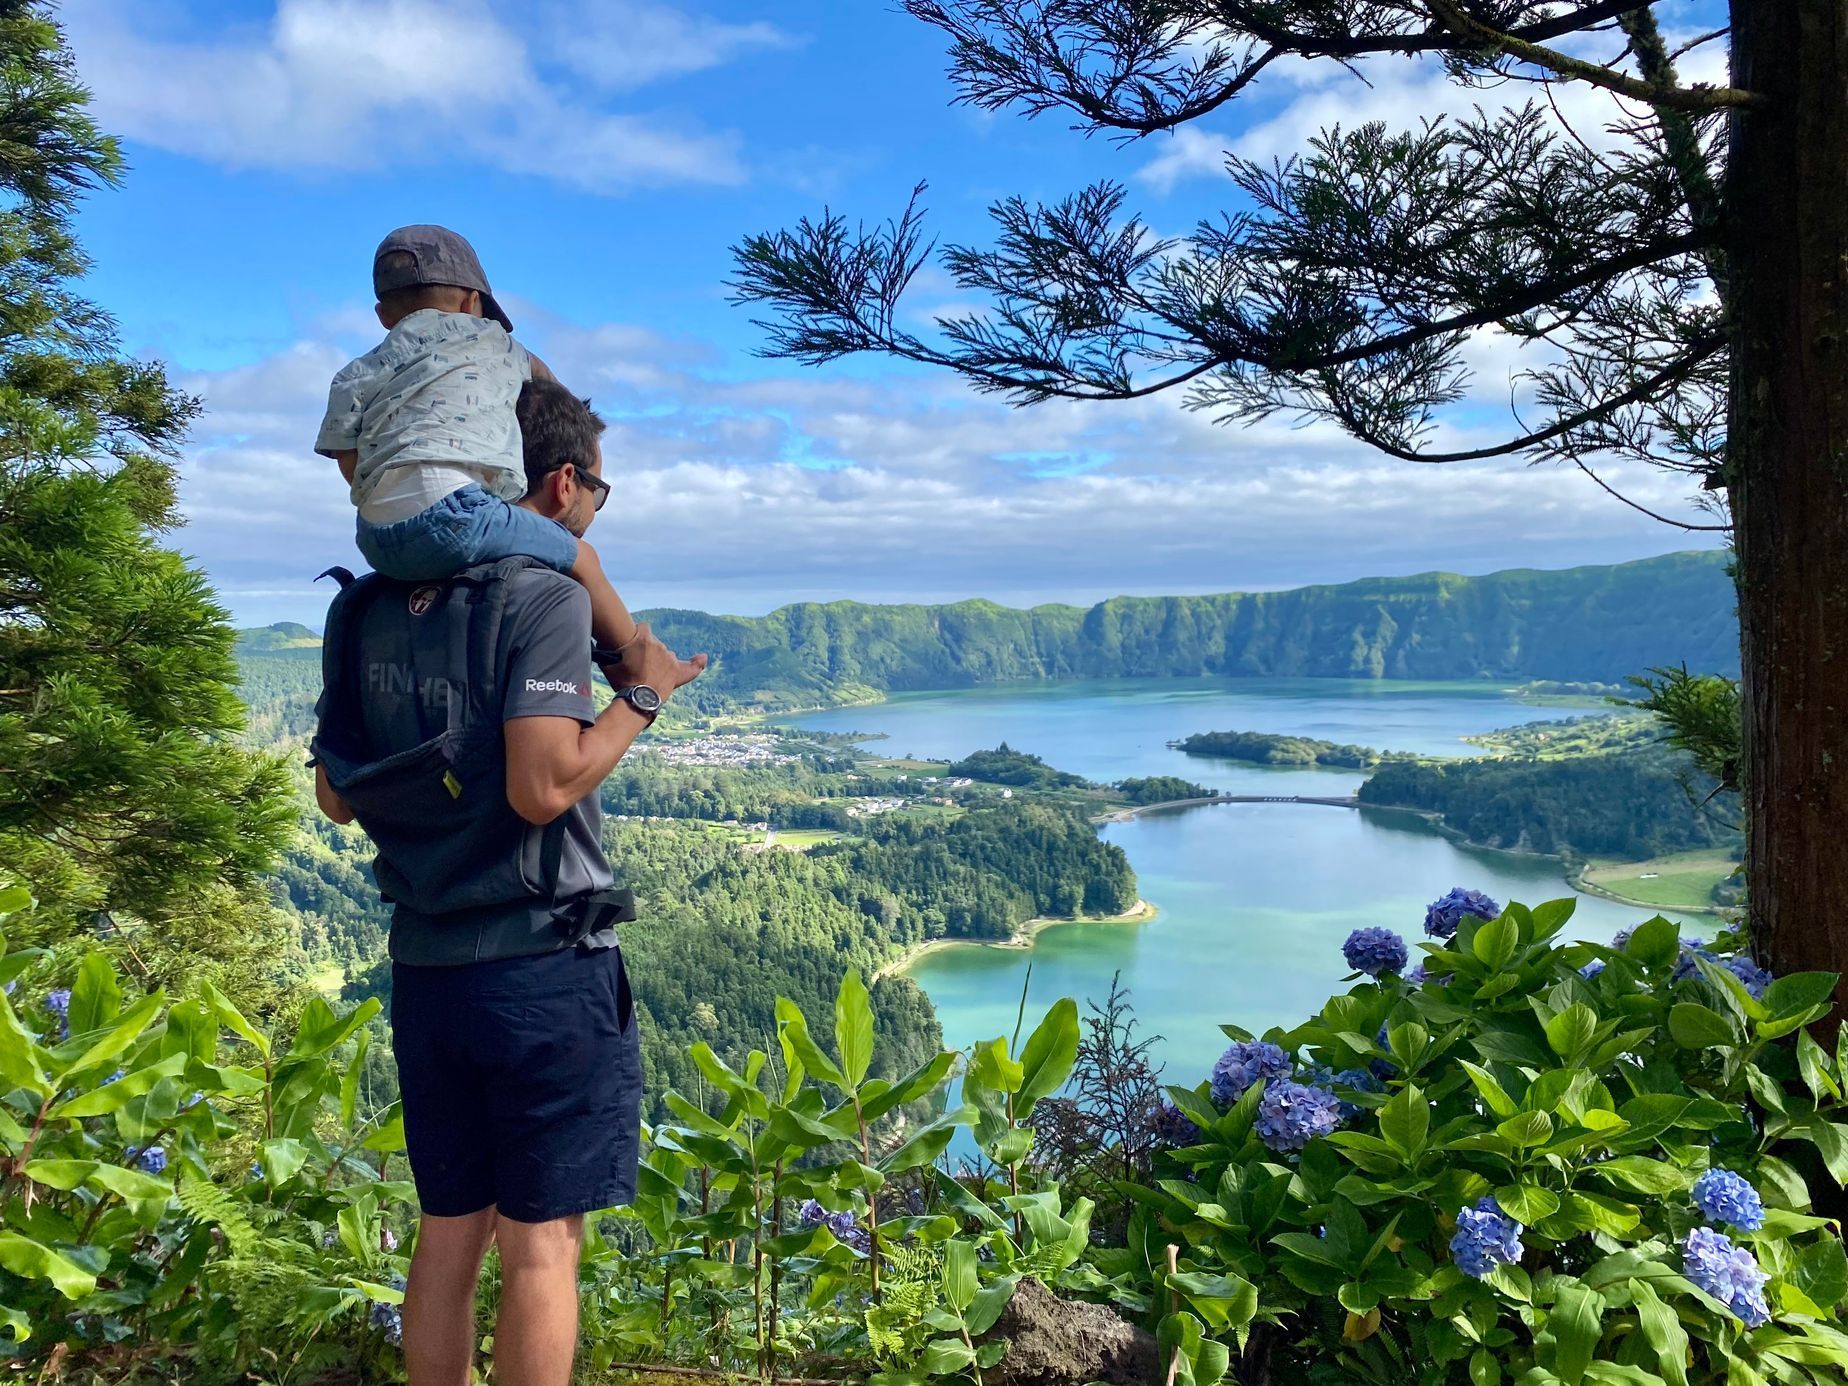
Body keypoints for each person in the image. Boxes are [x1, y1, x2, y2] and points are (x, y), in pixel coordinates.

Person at [311, 379, 705, 1386]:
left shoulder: (362, 610)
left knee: (450, 1234)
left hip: (427, 970)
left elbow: (336, 799)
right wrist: (646, 695)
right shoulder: (543, 597)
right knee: (541, 1245)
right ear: (562, 482)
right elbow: (545, 786)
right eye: (597, 495)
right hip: (540, 968)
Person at [315, 223, 674, 675]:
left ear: (383, 314)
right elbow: (546, 383)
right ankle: (636, 666)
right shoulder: (495, 341)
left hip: (374, 537)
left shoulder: (354, 373)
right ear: (472, 303)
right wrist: (573, 424)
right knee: (584, 559)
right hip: (454, 513)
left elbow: (349, 459)